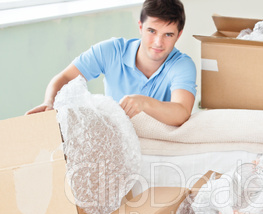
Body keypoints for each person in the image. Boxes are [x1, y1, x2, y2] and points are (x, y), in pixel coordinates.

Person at [26, 0, 196, 126]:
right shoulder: (112, 50)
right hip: (116, 136)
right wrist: (49, 102)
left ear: (179, 35)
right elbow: (65, 77)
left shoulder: (182, 65)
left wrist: (144, 103)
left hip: (158, 142)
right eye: (152, 31)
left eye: (168, 35)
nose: (158, 42)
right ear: (140, 27)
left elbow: (182, 112)